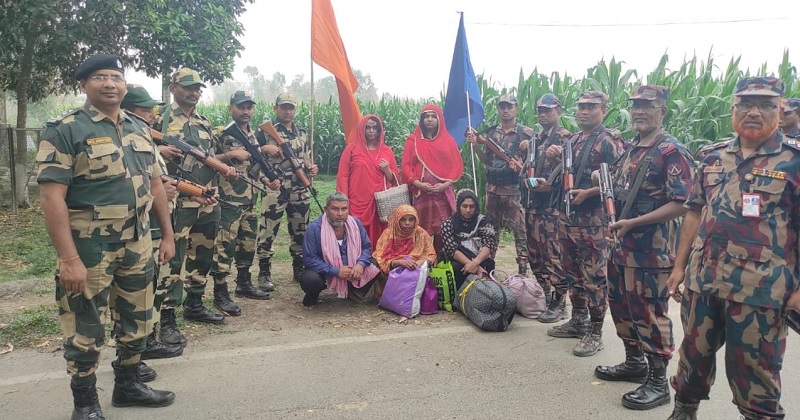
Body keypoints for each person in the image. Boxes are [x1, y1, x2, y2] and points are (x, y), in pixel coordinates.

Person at [37, 54, 176, 419]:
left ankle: (127, 386)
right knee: (85, 331)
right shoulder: (65, 129)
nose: (111, 83)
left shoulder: (138, 127)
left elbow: (157, 184)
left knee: (139, 321)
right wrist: (69, 259)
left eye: (117, 76)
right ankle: (85, 405)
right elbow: (52, 197)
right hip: (90, 250)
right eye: (101, 77)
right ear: (83, 85)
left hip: (139, 244)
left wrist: (168, 236)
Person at [666, 77, 800, 420]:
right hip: (703, 280)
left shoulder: (793, 161)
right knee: (692, 358)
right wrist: (679, 267)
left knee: (755, 372)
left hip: (761, 290)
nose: (754, 112)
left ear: (780, 110)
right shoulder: (712, 155)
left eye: (766, 105)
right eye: (745, 104)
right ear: (733, 109)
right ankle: (684, 410)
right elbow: (694, 212)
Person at [592, 86, 695, 411]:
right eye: (635, 105)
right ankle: (634, 362)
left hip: (651, 252)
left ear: (662, 110)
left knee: (650, 314)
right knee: (622, 308)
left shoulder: (670, 151)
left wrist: (635, 224)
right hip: (621, 248)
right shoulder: (632, 148)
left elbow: (683, 203)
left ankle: (657, 381)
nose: (638, 111)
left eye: (647, 106)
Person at [546, 90, 624, 357]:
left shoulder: (608, 140)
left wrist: (589, 193)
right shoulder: (576, 140)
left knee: (594, 278)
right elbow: (570, 173)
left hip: (594, 221)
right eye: (580, 106)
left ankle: (596, 331)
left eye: (591, 107)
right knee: (572, 273)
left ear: (603, 109)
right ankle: (578, 319)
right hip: (568, 219)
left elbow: (619, 178)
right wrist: (556, 158)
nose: (583, 111)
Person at [156, 67, 233, 332]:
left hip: (206, 199)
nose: (194, 92)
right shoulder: (159, 119)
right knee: (173, 257)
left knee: (203, 253)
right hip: (176, 201)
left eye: (198, 88)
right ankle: (166, 315)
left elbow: (209, 160)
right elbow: (138, 149)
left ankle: (195, 303)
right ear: (172, 88)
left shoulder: (204, 122)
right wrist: (160, 148)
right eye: (188, 87)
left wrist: (219, 181)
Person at [120, 85, 183, 360]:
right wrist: (157, 194)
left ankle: (147, 339)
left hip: (156, 226)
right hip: (136, 229)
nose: (153, 115)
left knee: (154, 285)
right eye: (146, 110)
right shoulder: (124, 140)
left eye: (153, 110)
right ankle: (135, 350)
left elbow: (155, 180)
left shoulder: (146, 140)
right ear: (127, 111)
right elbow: (123, 187)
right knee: (139, 292)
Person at [209, 91, 279, 314]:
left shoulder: (252, 136)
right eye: (241, 107)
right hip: (229, 202)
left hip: (249, 201)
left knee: (247, 244)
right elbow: (205, 159)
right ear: (231, 108)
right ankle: (220, 293)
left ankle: (243, 283)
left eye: (249, 107)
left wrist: (267, 180)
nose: (246, 111)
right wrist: (229, 155)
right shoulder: (220, 133)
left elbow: (252, 168)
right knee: (224, 248)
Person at [256, 92, 320, 289]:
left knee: (300, 232)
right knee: (267, 231)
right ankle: (264, 272)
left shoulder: (302, 133)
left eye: (291, 107)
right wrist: (264, 149)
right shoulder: (265, 132)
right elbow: (252, 156)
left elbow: (307, 158)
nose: (287, 111)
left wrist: (311, 169)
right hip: (276, 188)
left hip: (299, 189)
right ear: (276, 108)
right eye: (283, 107)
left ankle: (298, 268)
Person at [466, 93, 533, 275]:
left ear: (516, 108)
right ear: (498, 109)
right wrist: (476, 147)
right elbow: (487, 161)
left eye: (509, 106)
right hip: (493, 190)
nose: (505, 110)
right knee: (490, 231)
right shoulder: (490, 133)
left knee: (520, 232)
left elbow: (534, 163)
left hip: (514, 191)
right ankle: (489, 266)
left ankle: (522, 270)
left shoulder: (526, 134)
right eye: (502, 107)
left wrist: (519, 165)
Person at [520, 93, 573, 323]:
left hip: (551, 209)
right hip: (532, 206)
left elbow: (570, 174)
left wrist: (550, 183)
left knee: (553, 257)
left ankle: (560, 302)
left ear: (558, 112)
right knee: (535, 255)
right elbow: (527, 169)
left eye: (548, 110)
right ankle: (545, 295)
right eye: (540, 110)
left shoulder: (565, 139)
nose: (543, 114)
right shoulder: (536, 139)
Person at [300, 192, 382, 307]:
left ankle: (353, 291)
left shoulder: (355, 224)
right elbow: (309, 259)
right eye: (335, 209)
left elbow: (366, 247)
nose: (340, 214)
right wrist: (336, 271)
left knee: (377, 264)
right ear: (326, 209)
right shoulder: (314, 228)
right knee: (310, 279)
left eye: (344, 209)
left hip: (351, 268)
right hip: (325, 272)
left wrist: (360, 264)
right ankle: (313, 295)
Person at [401, 105, 463, 251]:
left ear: (439, 119)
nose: (430, 119)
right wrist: (418, 184)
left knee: (444, 229)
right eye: (426, 116)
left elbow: (455, 166)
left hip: (443, 194)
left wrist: (445, 184)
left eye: (433, 116)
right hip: (421, 195)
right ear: (421, 120)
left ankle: (441, 262)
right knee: (420, 230)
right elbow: (406, 167)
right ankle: (422, 263)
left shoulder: (448, 142)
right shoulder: (413, 141)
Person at [336, 114, 400, 246]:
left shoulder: (387, 151)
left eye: (375, 128)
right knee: (356, 233)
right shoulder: (351, 149)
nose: (371, 131)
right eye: (368, 127)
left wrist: (387, 170)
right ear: (362, 129)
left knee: (380, 235)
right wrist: (343, 200)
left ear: (380, 130)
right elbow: (343, 176)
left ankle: (378, 262)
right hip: (357, 200)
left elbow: (395, 180)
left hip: (379, 203)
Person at [439, 189, 498, 289]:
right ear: (458, 206)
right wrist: (477, 268)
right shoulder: (448, 224)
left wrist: (475, 263)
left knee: (489, 264)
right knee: (457, 267)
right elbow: (452, 250)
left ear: (476, 207)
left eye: (472, 206)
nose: (468, 210)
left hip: (479, 259)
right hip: (458, 260)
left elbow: (488, 245)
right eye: (464, 206)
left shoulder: (483, 222)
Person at [373, 204, 437, 276]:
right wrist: (399, 262)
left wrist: (421, 262)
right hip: (393, 271)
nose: (407, 223)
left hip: (416, 269)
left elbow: (431, 255)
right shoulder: (389, 233)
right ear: (397, 220)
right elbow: (381, 257)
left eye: (411, 219)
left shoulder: (421, 233)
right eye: (403, 219)